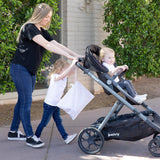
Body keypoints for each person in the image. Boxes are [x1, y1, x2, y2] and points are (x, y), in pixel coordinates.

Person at [8, 3, 80, 148]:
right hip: (20, 68)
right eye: (46, 17)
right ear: (39, 15)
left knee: (22, 101)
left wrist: (75, 55)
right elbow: (47, 46)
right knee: (27, 102)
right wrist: (68, 57)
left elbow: (57, 44)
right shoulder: (29, 28)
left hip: (30, 70)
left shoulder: (42, 31)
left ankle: (13, 132)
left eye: (49, 17)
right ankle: (30, 136)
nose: (48, 20)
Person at [35, 58, 78, 146]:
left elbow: (71, 71)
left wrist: (78, 64)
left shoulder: (64, 76)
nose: (66, 72)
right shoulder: (55, 76)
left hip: (56, 104)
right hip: (49, 104)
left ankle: (65, 137)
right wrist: (72, 64)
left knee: (58, 121)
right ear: (60, 69)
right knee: (44, 122)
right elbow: (65, 74)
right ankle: (36, 136)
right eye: (65, 69)